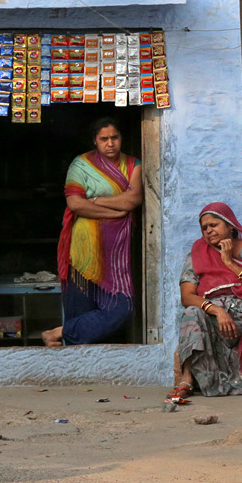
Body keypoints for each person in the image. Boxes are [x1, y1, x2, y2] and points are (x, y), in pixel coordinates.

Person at [42, 117, 141, 347]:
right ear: (95, 141)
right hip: (84, 250)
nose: (110, 143)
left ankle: (57, 332)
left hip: (116, 256)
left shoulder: (133, 165)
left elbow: (133, 199)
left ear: (121, 138)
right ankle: (74, 361)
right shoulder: (81, 164)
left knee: (122, 309)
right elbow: (76, 204)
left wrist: (95, 200)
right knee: (80, 309)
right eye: (104, 139)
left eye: (115, 137)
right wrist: (116, 212)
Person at [172, 203, 242, 399]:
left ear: (230, 225)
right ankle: (186, 379)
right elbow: (187, 296)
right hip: (214, 318)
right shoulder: (197, 254)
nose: (208, 231)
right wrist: (217, 310)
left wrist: (229, 262)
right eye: (204, 228)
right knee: (191, 313)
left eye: (214, 225)